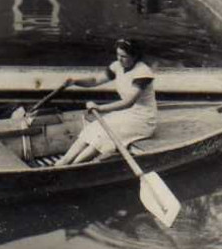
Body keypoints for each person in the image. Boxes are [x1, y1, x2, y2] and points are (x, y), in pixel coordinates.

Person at [54, 38, 158, 166]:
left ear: (135, 56)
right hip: (127, 114)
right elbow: (95, 80)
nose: (119, 59)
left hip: (143, 119)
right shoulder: (117, 67)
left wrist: (99, 108)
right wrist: (76, 82)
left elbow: (128, 102)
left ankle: (73, 166)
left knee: (104, 135)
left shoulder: (143, 73)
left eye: (124, 56)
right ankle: (63, 162)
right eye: (118, 55)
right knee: (93, 128)